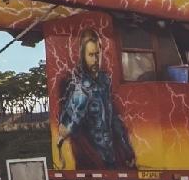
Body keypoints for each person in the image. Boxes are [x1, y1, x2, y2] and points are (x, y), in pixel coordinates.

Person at [52, 28, 133, 170]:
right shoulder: (80, 87)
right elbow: (65, 129)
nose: (95, 60)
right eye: (91, 55)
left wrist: (126, 149)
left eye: (97, 54)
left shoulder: (104, 81)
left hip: (110, 156)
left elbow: (113, 118)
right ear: (83, 55)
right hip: (92, 160)